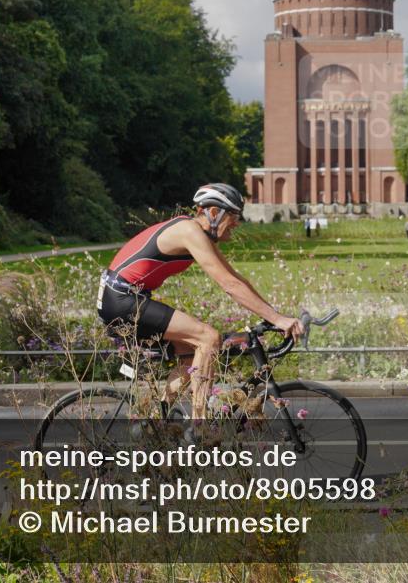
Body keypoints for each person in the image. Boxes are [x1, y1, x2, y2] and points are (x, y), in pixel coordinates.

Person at [97, 183, 305, 426]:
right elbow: (229, 286)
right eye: (234, 215)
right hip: (121, 300)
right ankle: (201, 427)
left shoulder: (198, 234)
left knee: (190, 357)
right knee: (208, 337)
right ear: (214, 213)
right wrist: (278, 320)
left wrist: (274, 316)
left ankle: (155, 422)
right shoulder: (189, 231)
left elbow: (238, 279)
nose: (237, 223)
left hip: (125, 298)